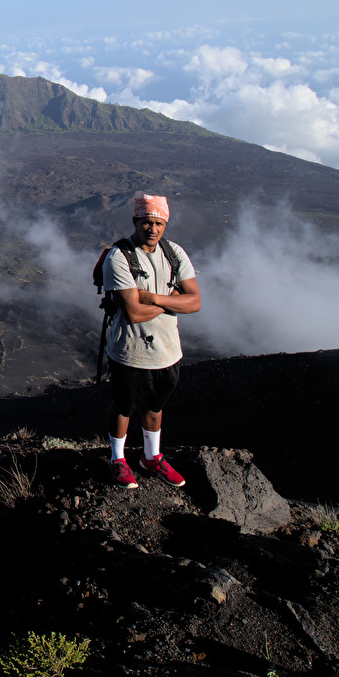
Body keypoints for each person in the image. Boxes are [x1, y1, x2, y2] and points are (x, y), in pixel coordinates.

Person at [101, 193, 201, 489]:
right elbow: (133, 312)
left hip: (167, 351)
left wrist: (154, 299)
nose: (153, 228)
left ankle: (150, 457)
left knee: (155, 406)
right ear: (136, 221)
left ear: (165, 224)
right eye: (147, 222)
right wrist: (172, 301)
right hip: (129, 351)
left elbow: (195, 302)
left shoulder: (174, 253)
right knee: (123, 406)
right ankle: (118, 460)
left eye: (158, 223)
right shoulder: (119, 257)